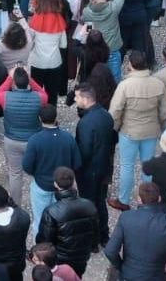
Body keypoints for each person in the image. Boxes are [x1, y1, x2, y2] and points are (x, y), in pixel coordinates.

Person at [109, 51, 166, 212]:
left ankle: (123, 199)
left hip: (129, 130)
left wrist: (116, 127)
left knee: (127, 166)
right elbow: (164, 111)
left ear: (131, 65)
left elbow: (115, 111)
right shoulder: (158, 83)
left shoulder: (125, 85)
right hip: (151, 130)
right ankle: (148, 200)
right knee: (147, 166)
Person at [21, 104, 80, 241]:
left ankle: (40, 250)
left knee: (40, 219)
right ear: (56, 117)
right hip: (63, 186)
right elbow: (77, 163)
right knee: (62, 220)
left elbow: (27, 166)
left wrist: (37, 173)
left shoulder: (35, 140)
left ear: (40, 119)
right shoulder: (68, 138)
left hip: (41, 185)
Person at [102, 183, 166, 281]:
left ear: (139, 199)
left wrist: (121, 266)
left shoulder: (126, 218)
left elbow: (110, 251)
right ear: (159, 198)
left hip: (129, 275)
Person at [0, 66, 45, 209]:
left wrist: (10, 77)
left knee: (15, 173)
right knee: (37, 171)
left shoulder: (5, 97)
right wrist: (31, 78)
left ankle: (16, 204)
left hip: (12, 140)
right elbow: (42, 92)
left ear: (14, 83)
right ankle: (39, 202)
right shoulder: (39, 98)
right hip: (33, 140)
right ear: (27, 82)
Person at [72, 83, 116, 242]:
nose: (75, 99)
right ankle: (104, 235)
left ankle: (92, 240)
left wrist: (76, 167)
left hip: (89, 171)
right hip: (104, 166)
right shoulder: (106, 115)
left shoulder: (85, 123)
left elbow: (84, 151)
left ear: (85, 98)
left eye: (77, 96)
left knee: (89, 205)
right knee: (100, 202)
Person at [34, 167, 97, 276]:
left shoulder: (51, 211)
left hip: (60, 259)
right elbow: (95, 233)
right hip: (82, 255)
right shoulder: (89, 205)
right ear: (73, 182)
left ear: (55, 184)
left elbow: (44, 240)